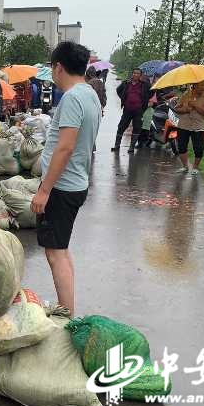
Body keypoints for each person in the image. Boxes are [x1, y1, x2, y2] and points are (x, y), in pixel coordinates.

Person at [30, 41, 101, 316]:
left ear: (58, 67)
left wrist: (44, 190)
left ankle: (67, 317)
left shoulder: (72, 98)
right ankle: (67, 308)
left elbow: (66, 146)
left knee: (55, 253)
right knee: (61, 249)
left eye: (52, 68)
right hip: (76, 182)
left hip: (61, 187)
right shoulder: (90, 94)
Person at [173, 81, 204, 175]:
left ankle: (195, 168)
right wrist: (185, 110)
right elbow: (177, 109)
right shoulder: (186, 94)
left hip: (198, 125)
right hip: (184, 124)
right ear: (195, 86)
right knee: (181, 146)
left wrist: (195, 105)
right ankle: (185, 166)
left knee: (198, 148)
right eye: (202, 85)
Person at [114, 68, 151, 153]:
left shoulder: (144, 85)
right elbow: (118, 90)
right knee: (121, 126)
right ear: (132, 74)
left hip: (138, 110)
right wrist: (123, 99)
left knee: (137, 128)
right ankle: (117, 145)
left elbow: (151, 92)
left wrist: (144, 102)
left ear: (140, 75)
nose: (136, 75)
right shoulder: (126, 83)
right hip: (127, 109)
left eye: (138, 73)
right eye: (134, 73)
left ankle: (131, 147)